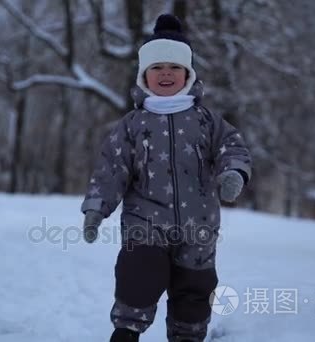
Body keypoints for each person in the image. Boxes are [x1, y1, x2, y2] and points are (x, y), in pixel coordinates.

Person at [80, 13, 252, 342]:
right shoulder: (132, 124)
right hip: (145, 219)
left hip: (199, 224)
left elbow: (233, 147)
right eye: (157, 68)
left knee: (194, 287)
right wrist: (96, 209)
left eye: (174, 68)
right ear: (145, 75)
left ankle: (187, 336)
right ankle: (127, 331)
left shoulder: (206, 120)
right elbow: (111, 169)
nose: (166, 74)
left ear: (187, 74)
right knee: (138, 273)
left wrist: (232, 173)